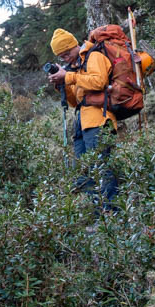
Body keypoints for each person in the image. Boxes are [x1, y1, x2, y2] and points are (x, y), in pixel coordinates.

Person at [47, 28, 119, 207]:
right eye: (61, 56)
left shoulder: (94, 56)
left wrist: (69, 76)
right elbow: (74, 102)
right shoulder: (75, 68)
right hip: (82, 123)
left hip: (99, 119)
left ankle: (112, 216)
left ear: (74, 46)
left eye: (66, 54)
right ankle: (97, 217)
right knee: (84, 171)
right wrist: (61, 84)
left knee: (101, 168)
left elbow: (99, 81)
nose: (64, 59)